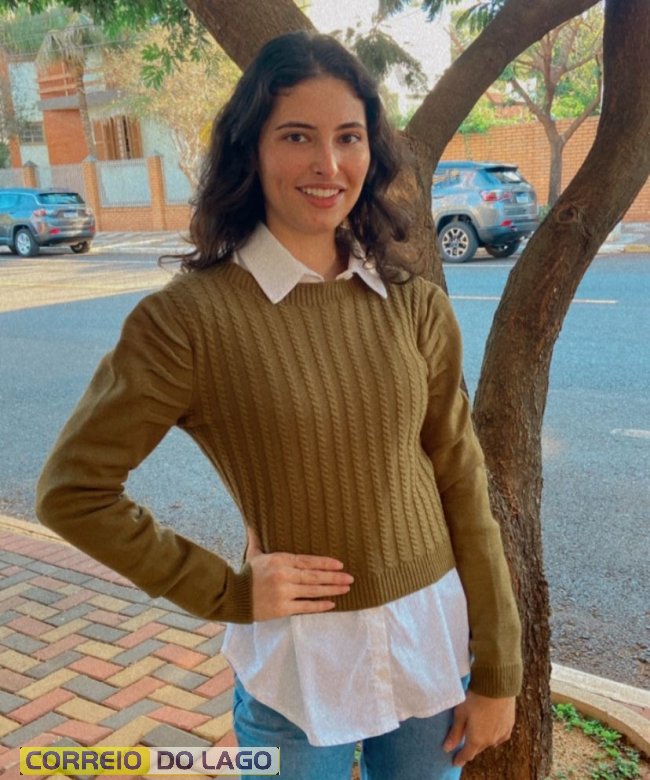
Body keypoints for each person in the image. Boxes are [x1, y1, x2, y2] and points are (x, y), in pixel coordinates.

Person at [36, 31, 522, 780]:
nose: (329, 164)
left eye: (348, 137)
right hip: (298, 672)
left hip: (429, 646)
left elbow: (462, 482)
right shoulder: (186, 322)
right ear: (251, 150)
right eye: (298, 136)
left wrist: (499, 668)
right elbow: (73, 492)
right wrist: (224, 590)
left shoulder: (415, 305)